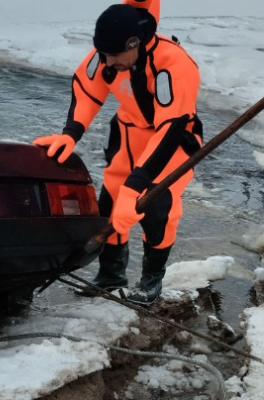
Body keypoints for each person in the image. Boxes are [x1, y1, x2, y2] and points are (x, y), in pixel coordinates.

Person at [33, 0, 203, 305]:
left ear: (134, 43)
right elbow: (87, 90)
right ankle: (111, 273)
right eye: (104, 55)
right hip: (128, 135)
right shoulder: (108, 54)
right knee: (110, 203)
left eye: (114, 56)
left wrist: (138, 183)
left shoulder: (173, 64)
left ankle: (151, 281)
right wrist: (71, 133)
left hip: (172, 142)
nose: (108, 63)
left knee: (155, 206)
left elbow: (170, 128)